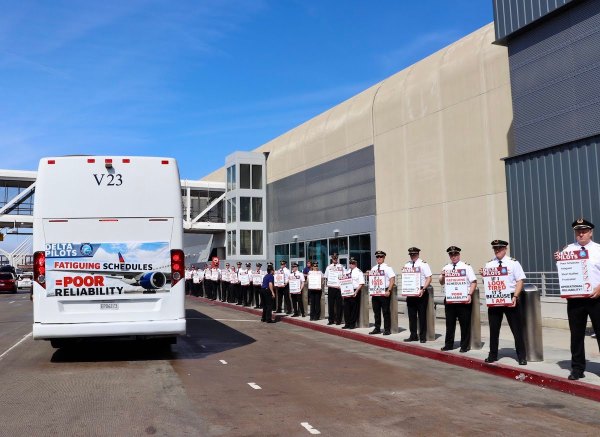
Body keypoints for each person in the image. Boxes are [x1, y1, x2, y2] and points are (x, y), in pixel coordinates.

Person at [554, 218, 600, 380]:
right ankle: (577, 368)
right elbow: (564, 272)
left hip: (596, 299)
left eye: (584, 231)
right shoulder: (568, 249)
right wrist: (559, 260)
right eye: (578, 231)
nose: (581, 233)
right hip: (575, 300)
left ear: (590, 232)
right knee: (576, 335)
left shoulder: (598, 249)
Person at [482, 239, 527, 365]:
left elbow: (520, 281)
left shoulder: (513, 263)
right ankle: (493, 355)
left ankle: (522, 356)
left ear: (505, 249)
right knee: (494, 329)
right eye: (495, 248)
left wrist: (516, 296)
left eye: (499, 248)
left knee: (517, 329)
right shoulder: (489, 264)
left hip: (511, 297)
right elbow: (488, 283)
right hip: (495, 297)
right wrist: (484, 276)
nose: (497, 250)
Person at [439, 246, 477, 352]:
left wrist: (470, 295)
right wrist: (442, 276)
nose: (453, 257)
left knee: (464, 324)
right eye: (451, 255)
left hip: (463, 300)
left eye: (455, 254)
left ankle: (465, 345)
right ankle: (449, 344)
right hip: (450, 299)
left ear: (459, 255)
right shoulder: (446, 267)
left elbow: (473, 282)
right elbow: (441, 282)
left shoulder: (466, 267)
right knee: (449, 324)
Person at [403, 247, 432, 343]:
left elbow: (429, 278)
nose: (412, 256)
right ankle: (413, 335)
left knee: (422, 315)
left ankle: (422, 336)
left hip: (421, 291)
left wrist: (423, 289)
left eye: (414, 254)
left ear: (418, 254)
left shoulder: (423, 264)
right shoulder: (407, 264)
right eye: (411, 254)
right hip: (410, 292)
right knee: (411, 316)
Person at [369, 250, 396, 335]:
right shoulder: (373, 268)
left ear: (384, 257)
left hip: (384, 291)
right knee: (376, 312)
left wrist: (389, 290)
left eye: (381, 257)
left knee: (385, 312)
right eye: (377, 257)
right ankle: (377, 328)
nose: (379, 258)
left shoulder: (387, 268)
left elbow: (392, 279)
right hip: (375, 292)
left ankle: (387, 329)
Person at [342, 257, 364, 329]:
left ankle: (352, 324)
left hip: (355, 291)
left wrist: (356, 292)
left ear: (356, 264)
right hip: (347, 291)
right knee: (346, 308)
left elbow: (361, 283)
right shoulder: (347, 272)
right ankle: (347, 323)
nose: (351, 264)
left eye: (353, 263)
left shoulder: (359, 272)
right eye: (350, 263)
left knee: (354, 309)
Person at [325, 253, 344, 325]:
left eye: (336, 258)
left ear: (337, 258)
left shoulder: (341, 267)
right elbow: (326, 277)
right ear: (332, 259)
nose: (335, 259)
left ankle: (338, 320)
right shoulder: (328, 267)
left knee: (339, 305)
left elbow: (344, 276)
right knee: (331, 305)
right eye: (333, 258)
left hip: (339, 288)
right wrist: (328, 284)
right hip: (331, 288)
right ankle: (331, 320)